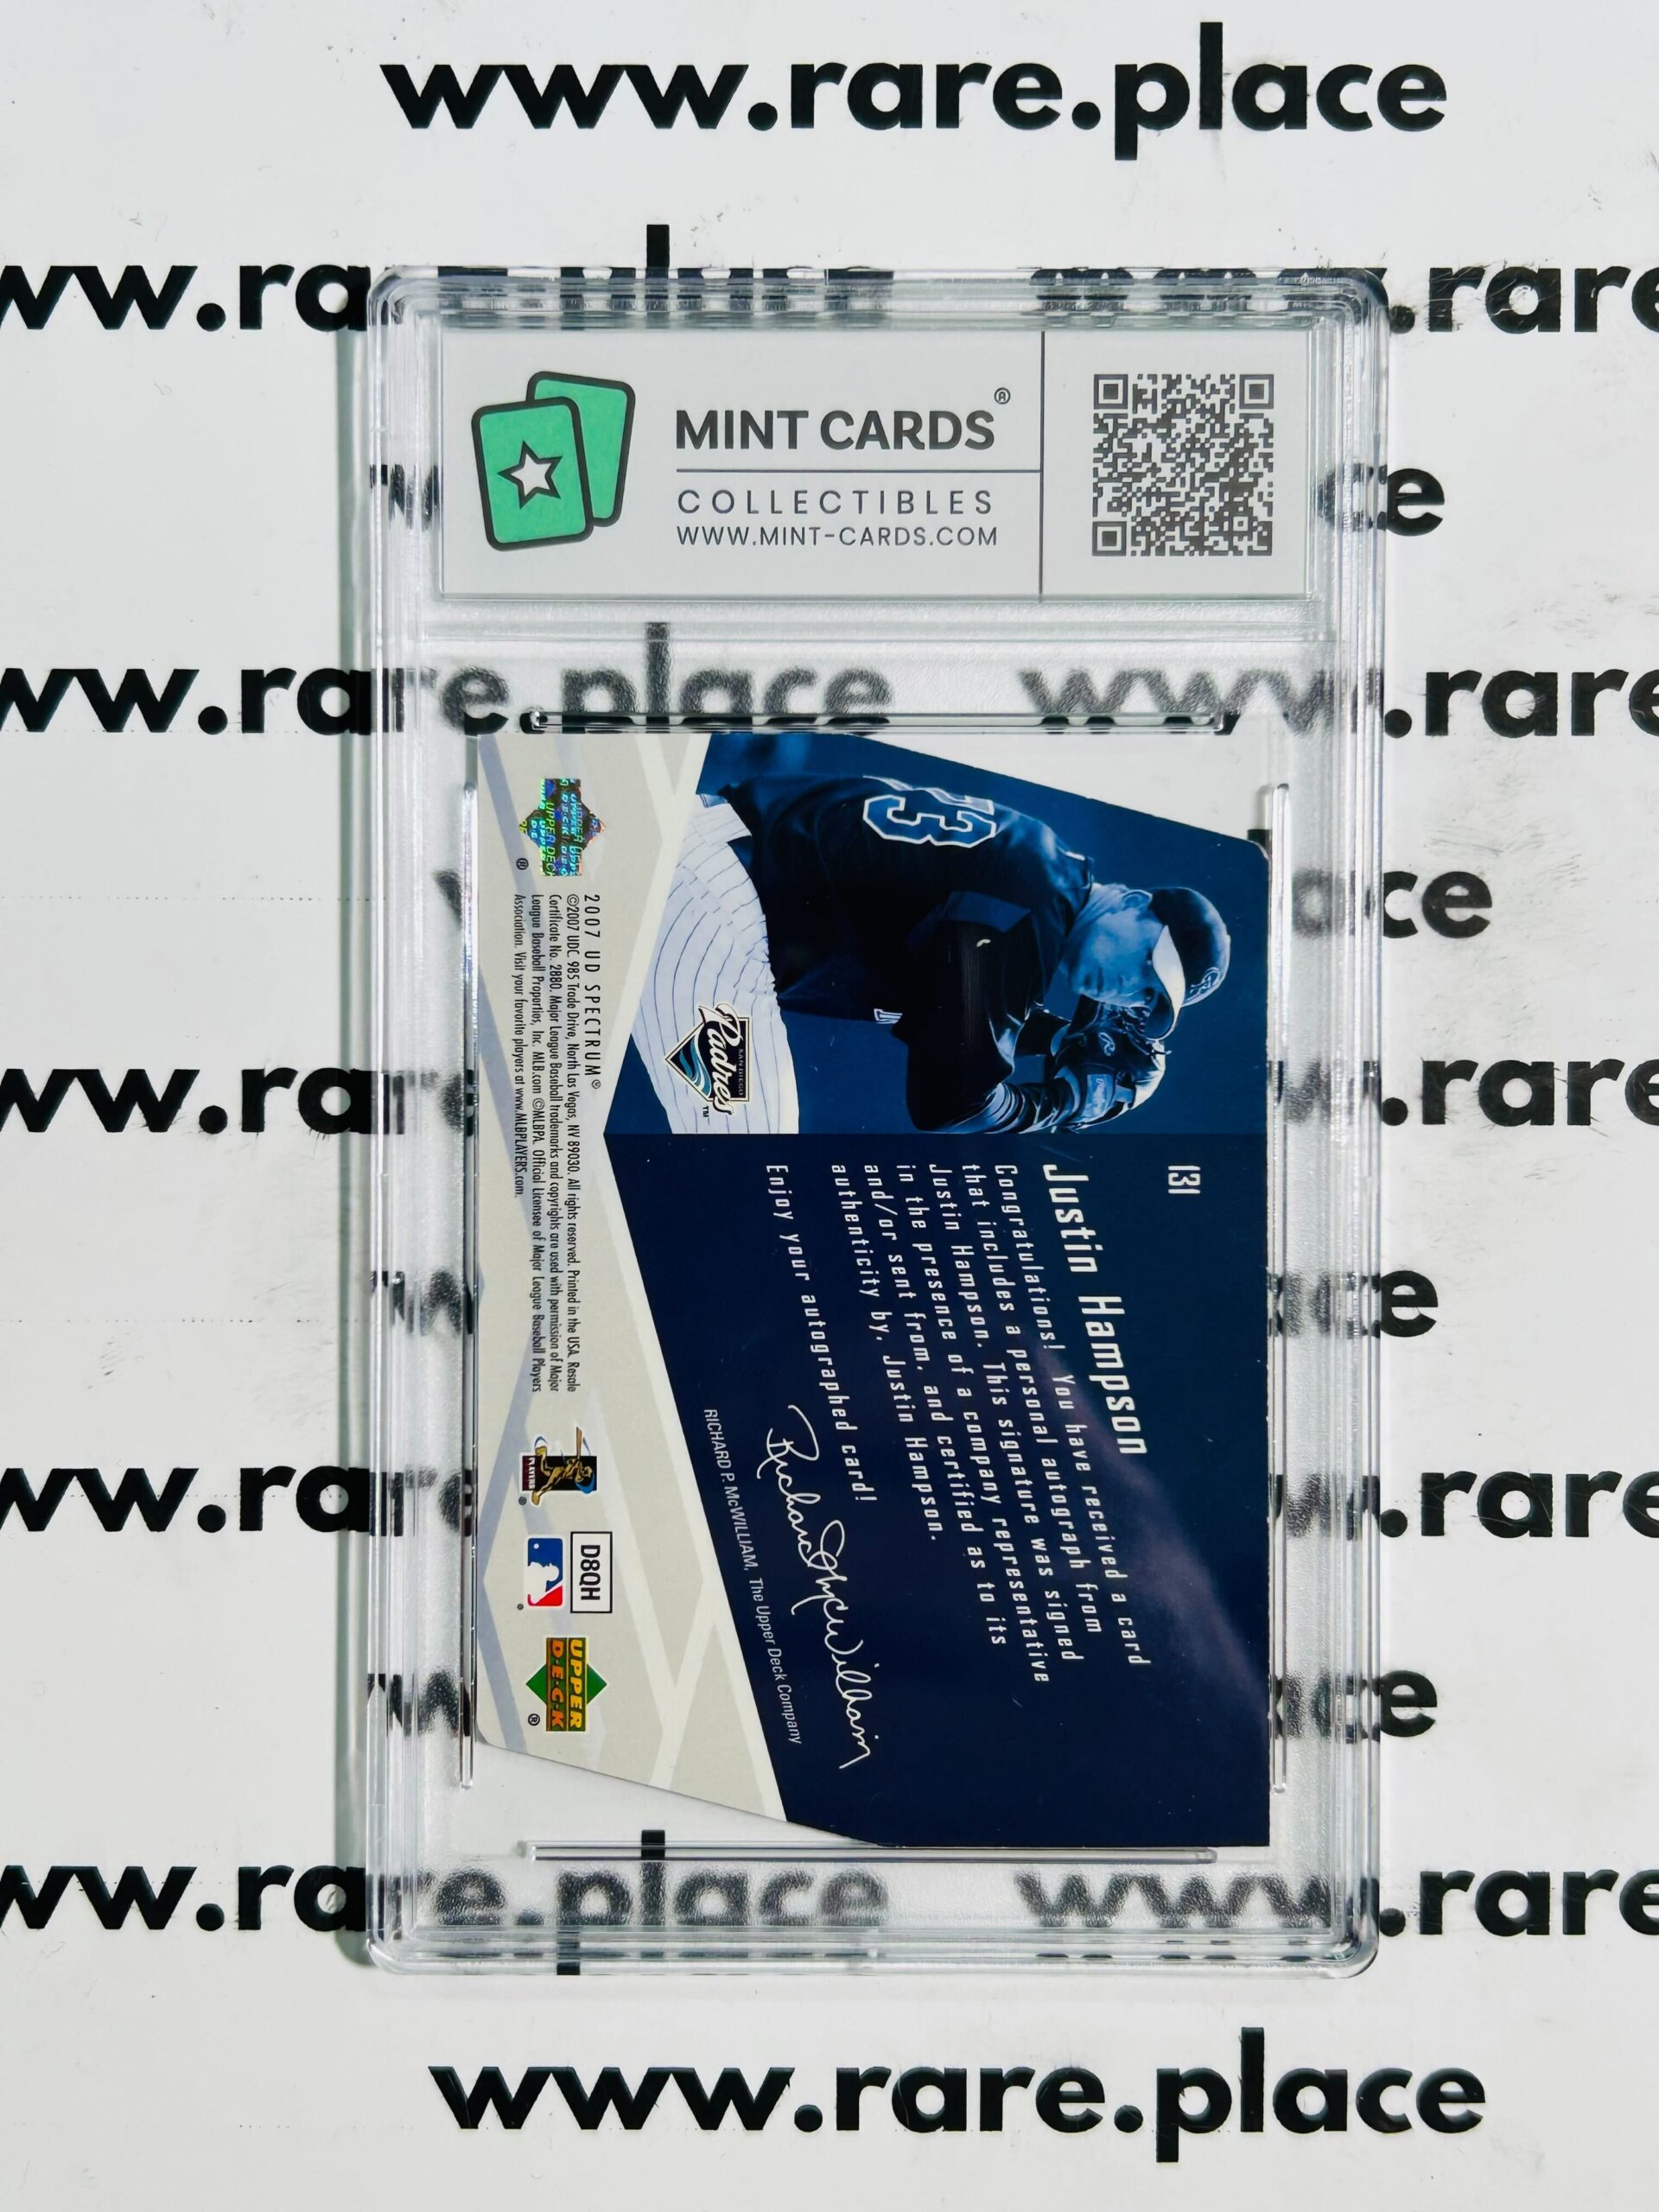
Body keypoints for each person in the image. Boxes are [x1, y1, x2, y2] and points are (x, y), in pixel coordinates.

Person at [633, 768, 1230, 1135]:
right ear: (1134, 903)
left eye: (1145, 996)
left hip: (696, 857)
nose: (1127, 989)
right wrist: (1061, 1103)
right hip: (715, 912)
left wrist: (1053, 1038)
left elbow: (944, 1006)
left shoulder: (1043, 871)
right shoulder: (1037, 912)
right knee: (751, 1167)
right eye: (1145, 964)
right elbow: (951, 1102)